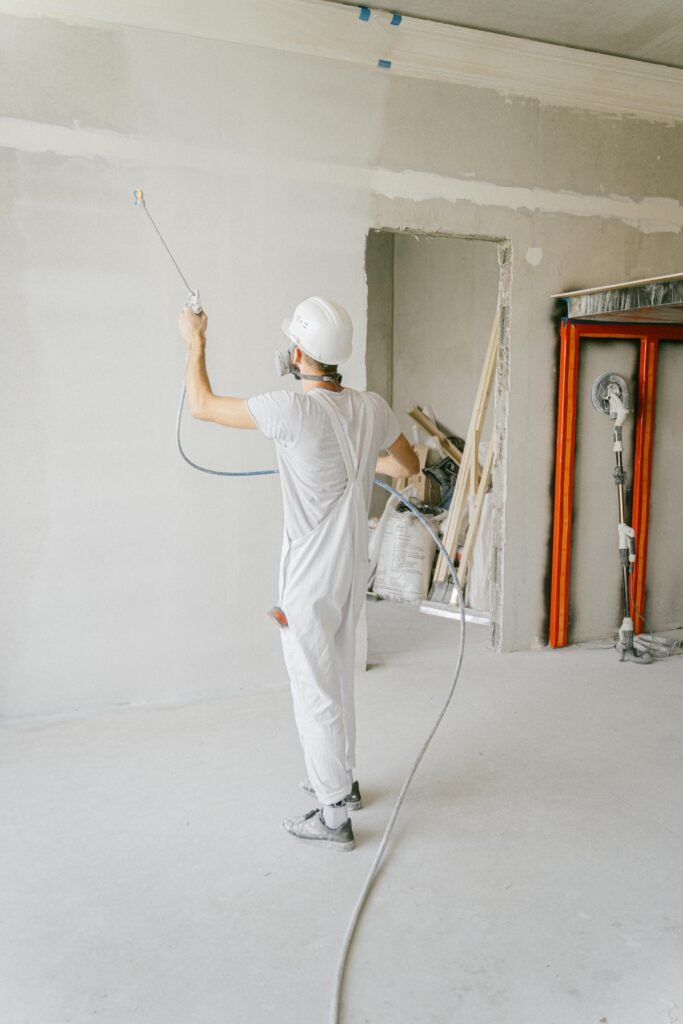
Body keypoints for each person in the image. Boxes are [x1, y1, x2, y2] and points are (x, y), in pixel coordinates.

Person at [178, 296, 419, 852]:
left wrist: (195, 341)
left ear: (301, 354)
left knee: (314, 690)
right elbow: (408, 466)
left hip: (309, 581)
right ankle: (346, 783)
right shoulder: (372, 408)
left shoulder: (291, 411)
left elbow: (202, 405)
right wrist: (362, 462)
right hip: (349, 573)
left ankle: (333, 815)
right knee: (337, 679)